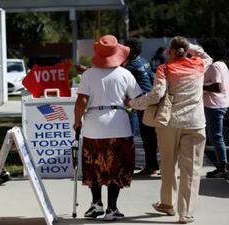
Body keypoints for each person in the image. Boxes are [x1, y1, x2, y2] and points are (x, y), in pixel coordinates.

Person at [129, 36, 212, 224]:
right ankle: (186, 213)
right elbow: (208, 57)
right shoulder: (199, 64)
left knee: (168, 165)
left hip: (170, 123)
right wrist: (190, 46)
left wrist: (134, 103)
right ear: (186, 50)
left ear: (171, 52)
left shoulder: (165, 69)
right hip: (195, 123)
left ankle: (167, 204)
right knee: (191, 169)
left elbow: (156, 94)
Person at [73, 34, 142, 221]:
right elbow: (135, 99)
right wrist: (126, 103)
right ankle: (112, 208)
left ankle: (96, 204)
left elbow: (81, 101)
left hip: (94, 126)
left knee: (94, 165)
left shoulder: (88, 74)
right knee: (116, 168)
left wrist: (77, 121)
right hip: (119, 124)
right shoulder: (125, 74)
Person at [124, 39, 159, 175]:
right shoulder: (144, 61)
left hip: (142, 103)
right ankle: (152, 165)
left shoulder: (131, 66)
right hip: (149, 101)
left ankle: (151, 167)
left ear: (132, 49)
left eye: (127, 48)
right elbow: (151, 79)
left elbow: (116, 75)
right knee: (150, 136)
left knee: (147, 136)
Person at [202, 38, 229, 179]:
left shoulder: (215, 66)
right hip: (220, 104)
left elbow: (217, 86)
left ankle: (223, 168)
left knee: (216, 137)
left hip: (214, 106)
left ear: (211, 52)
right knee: (216, 136)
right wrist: (227, 99)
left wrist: (198, 86)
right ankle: (221, 166)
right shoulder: (223, 65)